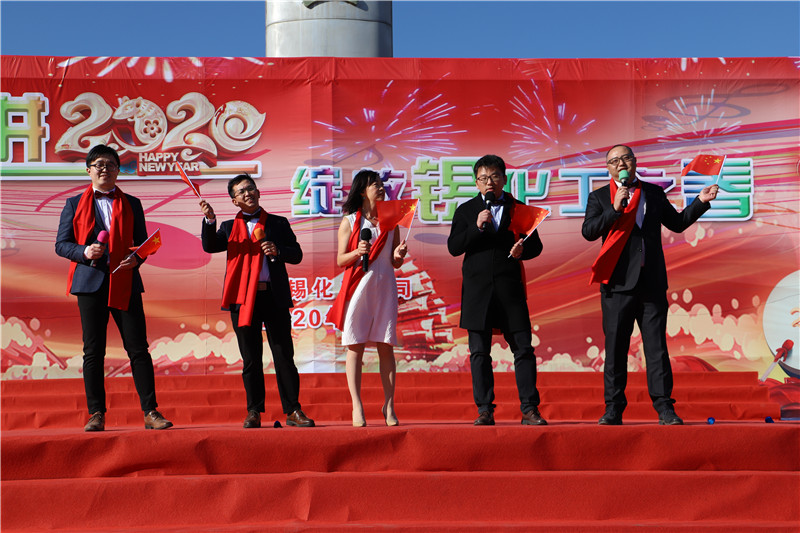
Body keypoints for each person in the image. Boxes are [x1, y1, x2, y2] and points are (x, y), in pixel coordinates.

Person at [582, 144, 719, 425]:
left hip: (651, 284)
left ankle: (665, 407)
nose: (621, 164)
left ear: (634, 162)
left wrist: (700, 202)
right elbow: (589, 231)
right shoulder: (599, 197)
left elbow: (677, 223)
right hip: (617, 285)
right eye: (614, 161)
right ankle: (613, 408)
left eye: (626, 158)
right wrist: (615, 209)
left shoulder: (654, 193)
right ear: (608, 168)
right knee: (616, 349)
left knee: (656, 349)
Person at [55, 144, 172, 431]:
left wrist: (137, 259)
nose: (104, 169)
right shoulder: (73, 204)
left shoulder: (132, 203)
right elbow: (61, 244)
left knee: (138, 348)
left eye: (110, 164)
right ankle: (96, 413)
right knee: (93, 351)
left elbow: (143, 244)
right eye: (98, 164)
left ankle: (151, 412)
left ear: (118, 170)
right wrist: (85, 252)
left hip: (124, 280)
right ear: (88, 170)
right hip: (90, 283)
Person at [200, 174, 314, 429]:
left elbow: (296, 254)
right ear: (234, 201)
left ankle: (293, 410)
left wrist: (278, 250)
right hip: (243, 299)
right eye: (241, 192)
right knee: (251, 358)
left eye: (250, 188)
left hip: (273, 296)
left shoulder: (278, 223)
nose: (247, 193)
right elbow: (210, 246)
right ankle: (254, 411)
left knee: (283, 355)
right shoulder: (228, 227)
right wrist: (210, 220)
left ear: (258, 192)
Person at [447, 155, 547, 426]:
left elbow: (536, 246)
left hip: (510, 290)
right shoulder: (467, 210)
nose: (489, 182)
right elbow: (454, 247)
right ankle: (484, 410)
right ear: (476, 182)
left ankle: (529, 409)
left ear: (504, 179)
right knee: (479, 353)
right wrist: (476, 227)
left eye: (494, 177)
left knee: (523, 349)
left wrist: (523, 250)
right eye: (483, 178)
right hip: (477, 292)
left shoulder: (519, 209)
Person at [327, 170, 408, 427]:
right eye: (375, 185)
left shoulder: (391, 221)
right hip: (358, 290)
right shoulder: (350, 221)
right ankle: (357, 406)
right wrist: (357, 252)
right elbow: (340, 259)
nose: (381, 188)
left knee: (386, 345)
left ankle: (389, 405)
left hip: (385, 288)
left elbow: (394, 262)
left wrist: (399, 255)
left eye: (382, 185)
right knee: (355, 346)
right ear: (363, 191)